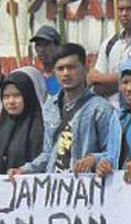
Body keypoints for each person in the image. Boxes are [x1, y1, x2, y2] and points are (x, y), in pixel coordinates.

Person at [13, 43, 120, 175]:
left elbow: (113, 153)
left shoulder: (101, 109)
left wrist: (94, 159)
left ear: (85, 68)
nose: (66, 73)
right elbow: (48, 153)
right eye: (60, 68)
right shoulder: (49, 106)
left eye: (71, 67)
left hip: (85, 187)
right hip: (55, 186)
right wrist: (25, 170)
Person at [0, 70, 45, 175]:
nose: (11, 101)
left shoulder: (39, 129)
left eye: (17, 95)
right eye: (6, 96)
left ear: (27, 97)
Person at [30, 24, 62, 96]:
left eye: (46, 44)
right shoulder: (35, 78)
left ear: (58, 47)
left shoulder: (64, 77)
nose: (41, 49)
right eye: (38, 45)